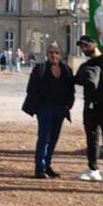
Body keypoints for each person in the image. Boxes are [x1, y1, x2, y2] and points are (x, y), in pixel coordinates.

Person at [22, 43, 75, 179]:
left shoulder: (67, 70)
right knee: (44, 137)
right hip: (45, 107)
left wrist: (68, 105)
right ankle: (39, 167)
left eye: (56, 52)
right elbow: (31, 89)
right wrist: (39, 106)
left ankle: (47, 164)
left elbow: (71, 90)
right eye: (51, 52)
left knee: (53, 138)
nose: (54, 55)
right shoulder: (40, 69)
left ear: (60, 55)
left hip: (60, 108)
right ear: (47, 54)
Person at [73, 36, 103, 184]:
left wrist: (93, 77)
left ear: (94, 45)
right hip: (90, 103)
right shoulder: (87, 63)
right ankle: (93, 169)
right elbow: (78, 79)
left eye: (86, 46)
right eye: (82, 47)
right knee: (91, 137)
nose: (84, 49)